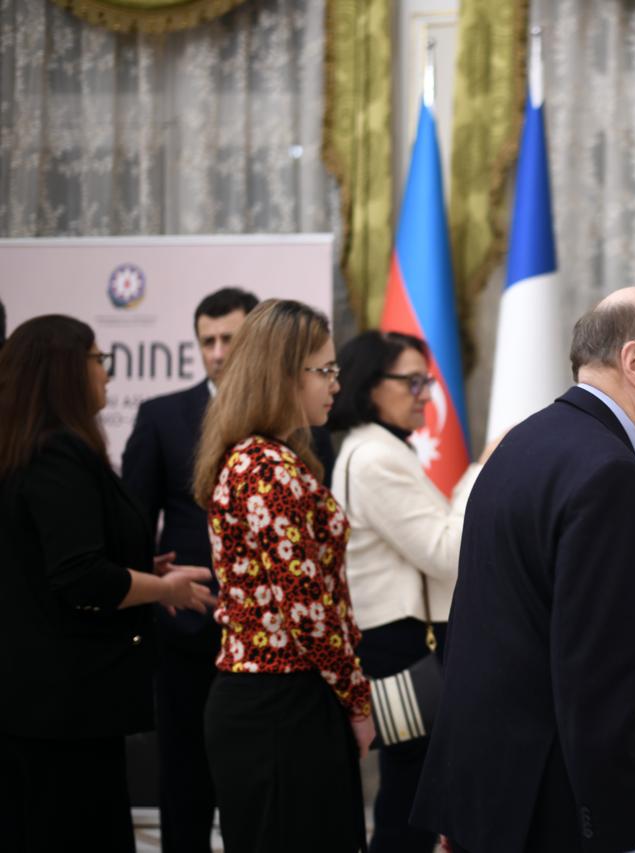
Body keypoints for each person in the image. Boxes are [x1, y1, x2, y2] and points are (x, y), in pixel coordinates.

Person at [415, 286, 635, 852]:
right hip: (556, 809)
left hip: (491, 794)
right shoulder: (607, 474)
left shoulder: (524, 442)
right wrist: (620, 834)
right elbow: (598, 683)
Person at [123, 286, 335, 852]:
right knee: (186, 789)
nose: (218, 352)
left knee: (265, 812)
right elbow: (134, 523)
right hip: (193, 638)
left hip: (278, 662)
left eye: (228, 339)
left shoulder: (303, 429)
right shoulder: (166, 416)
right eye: (206, 341)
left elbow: (310, 557)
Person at [0, 315, 216, 852]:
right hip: (62, 706)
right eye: (99, 361)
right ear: (67, 371)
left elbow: (64, 557)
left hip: (52, 702)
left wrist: (148, 570)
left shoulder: (34, 449)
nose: (107, 375)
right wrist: (165, 590)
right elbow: (81, 577)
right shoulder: (56, 455)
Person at [192, 299, 372, 852]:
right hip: (279, 705)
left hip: (278, 702)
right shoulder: (265, 468)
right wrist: (358, 699)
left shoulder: (269, 458)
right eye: (324, 370)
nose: (335, 384)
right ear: (283, 374)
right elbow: (309, 612)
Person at [328, 330, 495, 852]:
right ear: (373, 387)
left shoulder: (379, 450)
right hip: (403, 647)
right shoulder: (374, 457)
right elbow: (448, 551)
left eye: (427, 380)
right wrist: (482, 470)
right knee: (412, 797)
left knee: (418, 791)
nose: (426, 393)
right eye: (413, 381)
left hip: (404, 640)